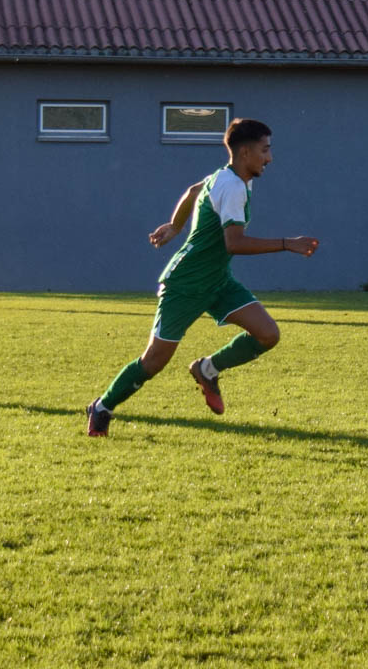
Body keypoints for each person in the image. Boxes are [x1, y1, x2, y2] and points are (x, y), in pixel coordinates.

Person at [86, 118, 319, 435]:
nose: (270, 158)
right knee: (153, 361)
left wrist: (175, 226)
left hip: (217, 281)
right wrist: (286, 244)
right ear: (245, 152)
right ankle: (101, 407)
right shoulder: (232, 186)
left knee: (267, 334)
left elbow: (194, 191)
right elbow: (234, 243)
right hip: (186, 284)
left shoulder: (230, 177)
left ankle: (207, 369)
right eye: (265, 150)